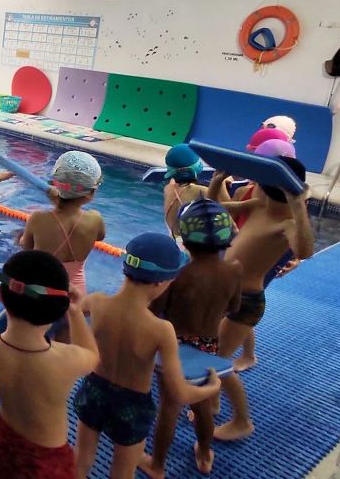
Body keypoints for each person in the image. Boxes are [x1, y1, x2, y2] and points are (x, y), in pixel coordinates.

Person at [74, 232, 222, 479]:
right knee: (122, 473)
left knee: (81, 461)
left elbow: (73, 310)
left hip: (92, 391)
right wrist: (211, 388)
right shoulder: (161, 330)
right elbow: (179, 392)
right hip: (131, 406)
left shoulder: (97, 302)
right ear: (160, 282)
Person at [0, 250, 100, 479]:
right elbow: (92, 356)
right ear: (57, 310)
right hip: (48, 464)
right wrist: (74, 311)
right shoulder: (63, 360)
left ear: (1, 296)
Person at [206, 156, 314, 441]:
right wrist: (217, 180)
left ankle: (242, 421)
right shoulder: (259, 206)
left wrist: (298, 204)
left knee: (218, 361)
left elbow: (304, 250)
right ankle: (212, 401)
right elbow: (212, 208)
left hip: (246, 303)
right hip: (227, 296)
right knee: (210, 351)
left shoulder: (288, 222)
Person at [140, 200, 242, 478]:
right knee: (201, 404)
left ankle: (157, 464)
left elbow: (155, 310)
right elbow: (233, 309)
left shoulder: (179, 275)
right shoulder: (233, 271)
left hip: (175, 347)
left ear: (184, 238)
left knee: (170, 406)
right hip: (208, 346)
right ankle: (205, 452)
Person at [20, 150, 104, 342]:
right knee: (66, 343)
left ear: (55, 185)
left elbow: (26, 249)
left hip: (41, 291)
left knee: (33, 340)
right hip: (75, 293)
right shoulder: (95, 220)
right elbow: (99, 236)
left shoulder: (38, 219)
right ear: (90, 194)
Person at [162, 144, 208, 238]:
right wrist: (221, 182)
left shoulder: (168, 189)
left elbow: (174, 181)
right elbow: (229, 210)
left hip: (173, 242)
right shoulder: (202, 191)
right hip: (192, 248)